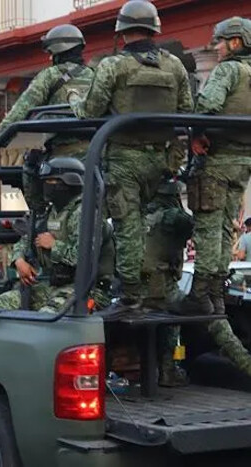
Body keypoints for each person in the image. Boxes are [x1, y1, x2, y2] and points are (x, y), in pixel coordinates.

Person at [68, 0, 194, 312]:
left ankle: (130, 295)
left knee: (127, 227)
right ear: (154, 28)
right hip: (159, 161)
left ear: (122, 32)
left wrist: (72, 98)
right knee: (151, 225)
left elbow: (90, 111)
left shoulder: (113, 66)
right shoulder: (175, 66)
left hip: (124, 160)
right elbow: (187, 113)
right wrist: (172, 159)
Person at [178, 16, 251, 378]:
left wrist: (195, 132)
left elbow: (205, 106)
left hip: (218, 162)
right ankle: (215, 288)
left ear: (236, 42)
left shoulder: (228, 71)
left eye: (220, 43)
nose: (216, 49)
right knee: (225, 226)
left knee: (208, 223)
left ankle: (202, 294)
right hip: (242, 164)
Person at [0, 24, 93, 213]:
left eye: (50, 52)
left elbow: (21, 111)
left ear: (57, 51)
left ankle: (38, 219)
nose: (50, 57)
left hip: (62, 155)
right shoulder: (95, 75)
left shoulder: (49, 76)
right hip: (97, 154)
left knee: (30, 164)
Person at [0, 158, 114, 313]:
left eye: (51, 181)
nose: (46, 186)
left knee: (48, 316)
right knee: (5, 303)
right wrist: (19, 260)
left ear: (67, 183)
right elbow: (27, 240)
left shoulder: (84, 213)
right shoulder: (52, 212)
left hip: (88, 290)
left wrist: (53, 245)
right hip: (56, 286)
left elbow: (85, 257)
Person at [141, 179, 194, 386]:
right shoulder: (170, 217)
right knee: (179, 317)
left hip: (135, 288)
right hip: (162, 287)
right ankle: (168, 371)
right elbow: (192, 224)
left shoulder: (139, 216)